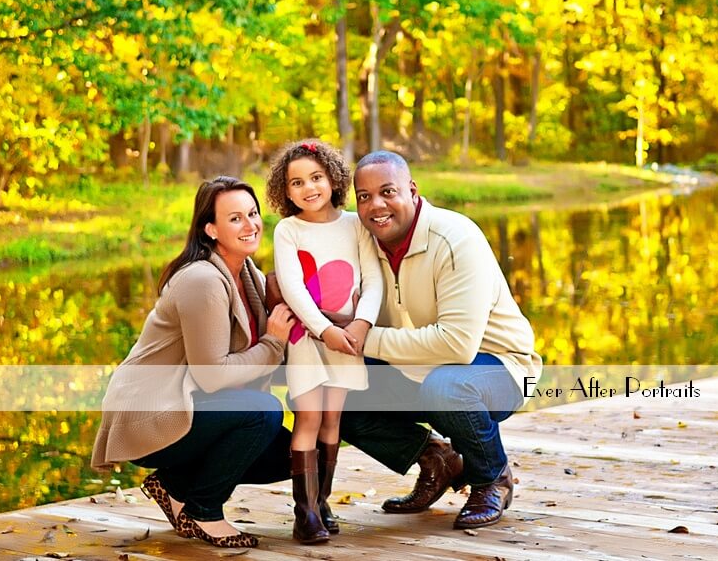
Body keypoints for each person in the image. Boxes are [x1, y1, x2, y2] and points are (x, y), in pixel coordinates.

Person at [340, 151, 542, 530]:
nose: (376, 205)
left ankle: (491, 478)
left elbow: (458, 345)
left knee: (446, 387)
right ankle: (437, 459)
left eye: (387, 192)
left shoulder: (455, 238)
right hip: (419, 368)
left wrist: (363, 339)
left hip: (503, 367)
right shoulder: (362, 243)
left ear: (413, 191)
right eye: (363, 196)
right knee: (331, 388)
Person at [91, 176, 295, 549]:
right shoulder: (202, 279)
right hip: (151, 410)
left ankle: (175, 486)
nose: (250, 225)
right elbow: (214, 375)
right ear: (210, 228)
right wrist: (273, 342)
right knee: (263, 411)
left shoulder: (246, 273)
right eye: (235, 218)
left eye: (252, 213)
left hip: (190, 403)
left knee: (292, 454)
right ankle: (204, 511)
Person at [265, 140, 383, 544]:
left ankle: (323, 501)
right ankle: (305, 514)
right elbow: (294, 288)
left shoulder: (354, 224)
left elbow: (373, 279)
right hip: (307, 338)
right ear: (285, 190)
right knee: (309, 417)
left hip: (348, 338)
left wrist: (362, 323)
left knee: (333, 419)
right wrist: (324, 330)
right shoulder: (288, 230)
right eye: (297, 182)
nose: (309, 188)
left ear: (334, 178)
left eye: (316, 178)